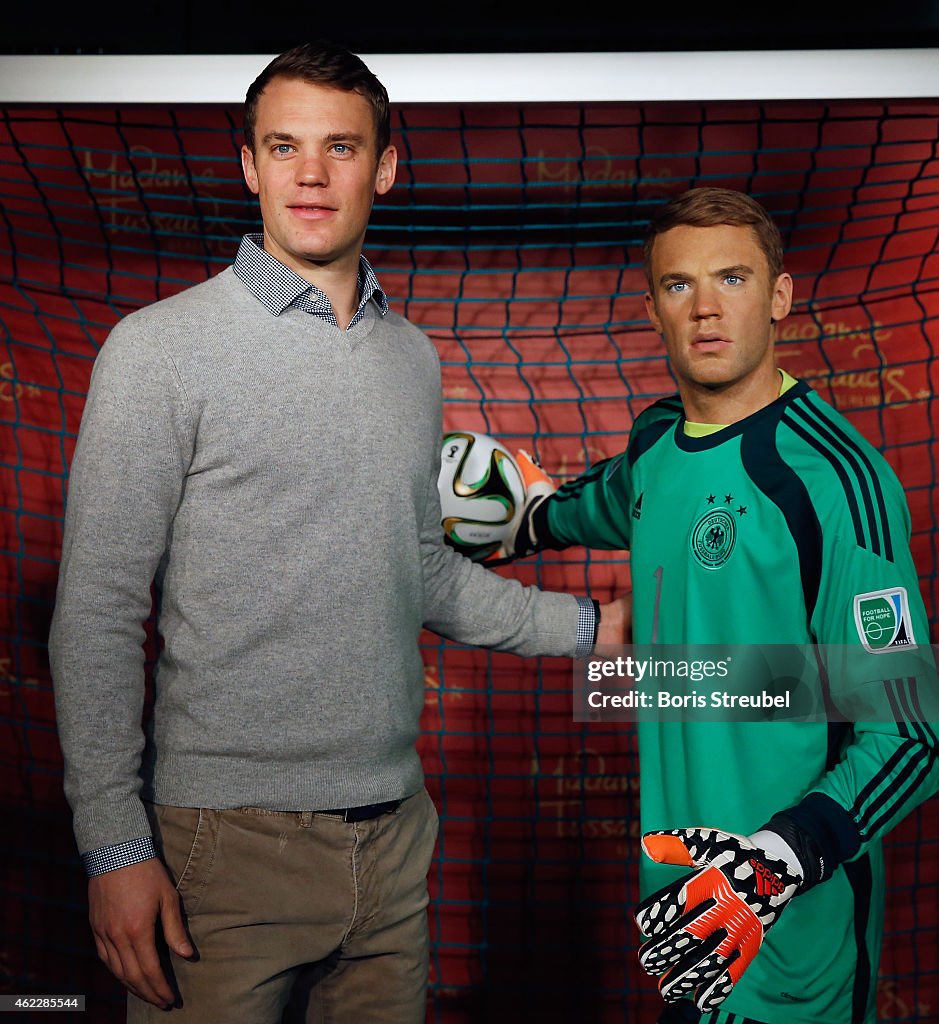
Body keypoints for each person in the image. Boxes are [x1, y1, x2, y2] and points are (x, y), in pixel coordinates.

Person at [48, 40, 627, 1023]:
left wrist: (590, 632)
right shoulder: (156, 350)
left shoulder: (412, 359)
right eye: (283, 147)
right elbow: (96, 612)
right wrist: (115, 847)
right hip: (220, 856)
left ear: (386, 166)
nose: (311, 175)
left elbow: (424, 574)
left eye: (341, 148)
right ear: (249, 165)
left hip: (395, 844)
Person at [507, 187, 939, 1024]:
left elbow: (910, 738)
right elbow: (596, 502)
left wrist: (776, 861)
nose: (706, 309)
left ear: (778, 297)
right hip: (683, 921)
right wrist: (522, 521)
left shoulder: (834, 484)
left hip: (789, 939)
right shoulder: (654, 447)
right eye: (679, 286)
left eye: (733, 279)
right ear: (652, 308)